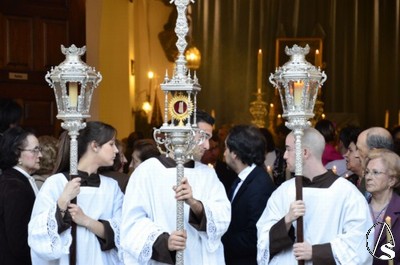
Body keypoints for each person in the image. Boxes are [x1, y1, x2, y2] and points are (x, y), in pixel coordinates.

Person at [121, 110, 231, 264]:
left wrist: (194, 203)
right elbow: (132, 222)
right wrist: (165, 242)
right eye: (203, 137)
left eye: (209, 138)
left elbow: (223, 216)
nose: (207, 145)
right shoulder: (147, 172)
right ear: (184, 133)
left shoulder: (208, 174)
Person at [256, 127, 373, 264]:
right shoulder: (283, 191)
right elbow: (263, 239)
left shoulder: (347, 193)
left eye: (288, 149)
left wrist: (315, 252)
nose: (284, 156)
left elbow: (360, 242)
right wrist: (287, 220)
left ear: (304, 152)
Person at [28, 121, 124, 265]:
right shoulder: (57, 183)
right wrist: (62, 201)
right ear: (95, 146)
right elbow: (37, 233)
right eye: (111, 144)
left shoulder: (111, 187)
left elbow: (122, 231)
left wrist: (86, 220)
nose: (116, 150)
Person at [221, 125, 275, 264]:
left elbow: (255, 236)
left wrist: (219, 240)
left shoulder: (259, 185)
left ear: (235, 154)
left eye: (226, 148)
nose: (224, 153)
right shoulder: (244, 179)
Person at [0, 127, 42, 264]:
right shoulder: (15, 187)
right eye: (35, 150)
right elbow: (18, 241)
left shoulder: (16, 180)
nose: (40, 155)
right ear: (17, 154)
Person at [364, 149, 400, 265]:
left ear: (391, 180)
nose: (368, 177)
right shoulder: (359, 207)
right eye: (367, 172)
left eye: (375, 172)